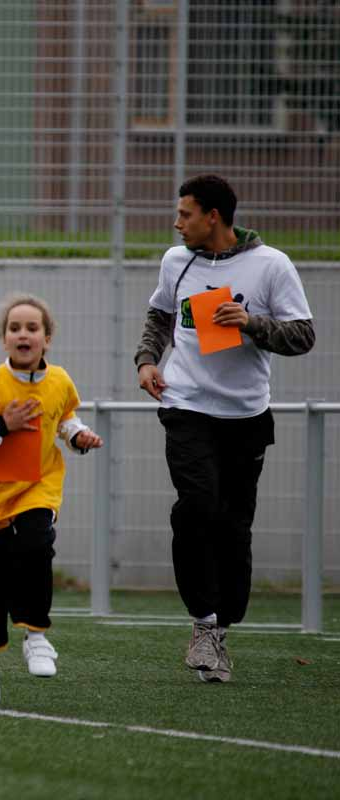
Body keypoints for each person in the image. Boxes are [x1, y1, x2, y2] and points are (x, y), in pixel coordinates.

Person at [134, 174, 315, 684]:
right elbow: (160, 314)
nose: (177, 223)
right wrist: (147, 360)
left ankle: (223, 625)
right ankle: (203, 625)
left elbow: (303, 336)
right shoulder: (177, 260)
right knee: (196, 506)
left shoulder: (272, 265)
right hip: (186, 407)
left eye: (185, 214)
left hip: (247, 417)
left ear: (213, 216)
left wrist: (252, 323)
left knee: (234, 526)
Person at [0, 294, 102, 707]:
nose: (23, 334)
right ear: (4, 338)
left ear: (47, 339)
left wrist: (78, 437)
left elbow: (64, 418)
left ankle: (36, 635)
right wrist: (3, 423)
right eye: (15, 328)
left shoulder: (60, 381)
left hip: (38, 487)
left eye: (32, 328)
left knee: (36, 542)